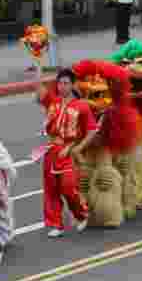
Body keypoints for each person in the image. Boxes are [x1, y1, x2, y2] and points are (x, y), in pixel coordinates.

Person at [37, 69, 98, 237]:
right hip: (51, 150)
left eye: (65, 83)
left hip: (68, 151)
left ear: (72, 85)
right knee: (51, 189)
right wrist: (38, 65)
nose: (62, 86)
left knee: (68, 188)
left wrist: (78, 148)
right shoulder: (53, 101)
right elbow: (40, 91)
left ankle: (81, 214)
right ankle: (55, 224)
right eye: (59, 83)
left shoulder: (82, 106)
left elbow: (92, 130)